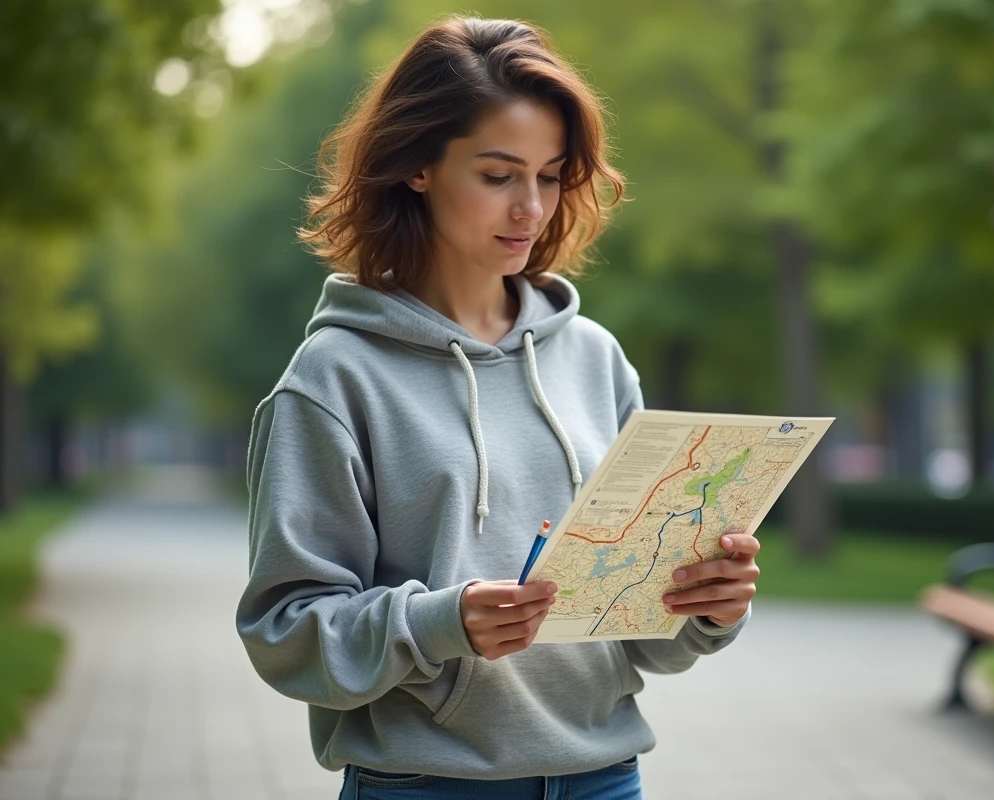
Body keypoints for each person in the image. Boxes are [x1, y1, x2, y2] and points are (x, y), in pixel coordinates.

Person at [234, 15, 759, 800]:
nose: (531, 209)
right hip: (425, 785)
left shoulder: (594, 358)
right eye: (497, 175)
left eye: (549, 176)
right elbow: (288, 634)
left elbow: (643, 639)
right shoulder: (334, 377)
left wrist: (703, 607)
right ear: (418, 167)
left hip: (604, 778)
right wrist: (440, 624)